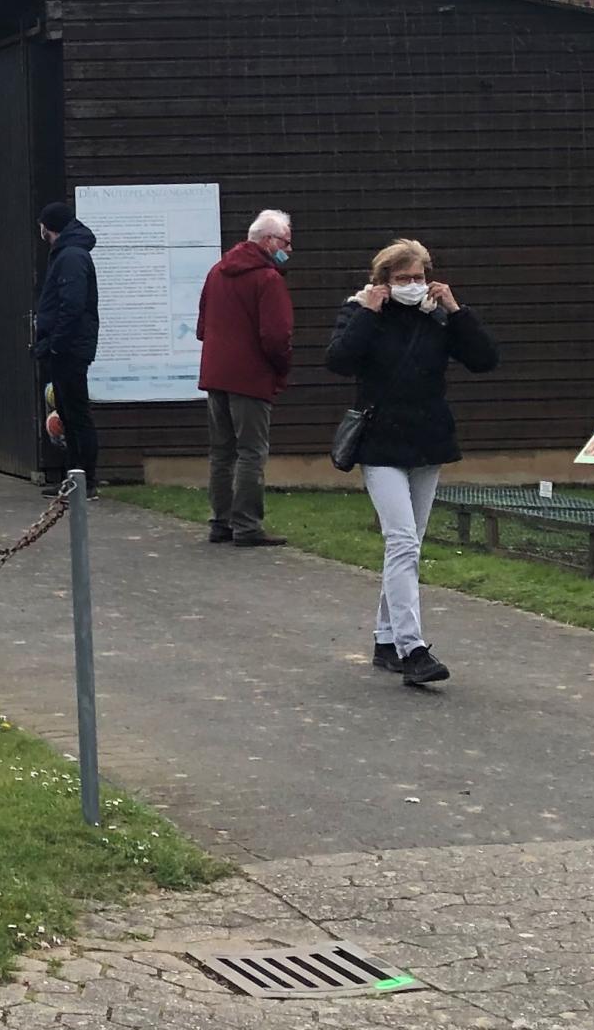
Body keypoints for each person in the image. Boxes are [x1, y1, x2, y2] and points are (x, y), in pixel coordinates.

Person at [325, 240, 498, 688]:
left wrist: (457, 311)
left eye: (418, 277)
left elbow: (484, 359)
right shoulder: (361, 313)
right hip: (380, 445)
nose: (411, 285)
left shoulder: (437, 318)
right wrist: (367, 311)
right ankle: (412, 647)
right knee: (401, 541)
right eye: (402, 278)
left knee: (410, 544)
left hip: (427, 442)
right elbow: (339, 361)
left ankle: (386, 639)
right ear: (383, 281)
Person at [196, 208, 296, 547]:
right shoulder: (268, 279)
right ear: (268, 241)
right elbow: (276, 336)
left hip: (215, 373)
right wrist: (281, 367)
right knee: (252, 452)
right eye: (286, 242)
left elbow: (202, 326)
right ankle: (247, 525)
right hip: (251, 377)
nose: (289, 249)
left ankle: (220, 522)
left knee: (221, 452)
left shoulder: (216, 272)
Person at [31, 202, 100, 493]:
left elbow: (71, 305)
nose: (40, 231)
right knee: (69, 415)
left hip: (69, 349)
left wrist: (55, 344)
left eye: (42, 225)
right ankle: (74, 478)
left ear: (49, 227)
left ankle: (83, 481)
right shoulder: (69, 253)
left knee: (75, 414)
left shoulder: (71, 256)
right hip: (68, 346)